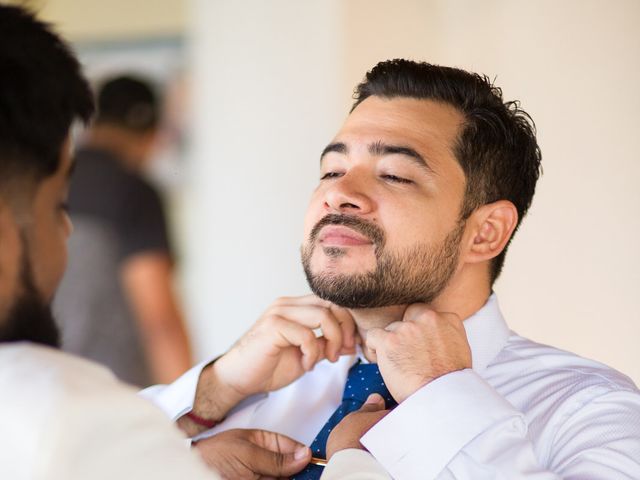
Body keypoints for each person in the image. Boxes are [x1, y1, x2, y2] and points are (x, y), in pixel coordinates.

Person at [144, 60, 640, 479]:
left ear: (486, 231)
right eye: (332, 171)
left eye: (395, 175)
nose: (338, 193)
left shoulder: (590, 410)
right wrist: (213, 395)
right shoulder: (241, 396)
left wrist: (439, 400)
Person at [0, 5, 381, 479]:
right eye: (59, 203)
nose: (340, 197)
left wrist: (211, 395)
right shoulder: (62, 421)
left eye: (395, 176)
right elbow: (159, 316)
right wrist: (353, 463)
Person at [53, 75, 191, 386]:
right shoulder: (134, 191)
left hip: (44, 389)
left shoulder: (48, 182)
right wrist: (191, 413)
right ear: (152, 134)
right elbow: (159, 321)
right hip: (117, 394)